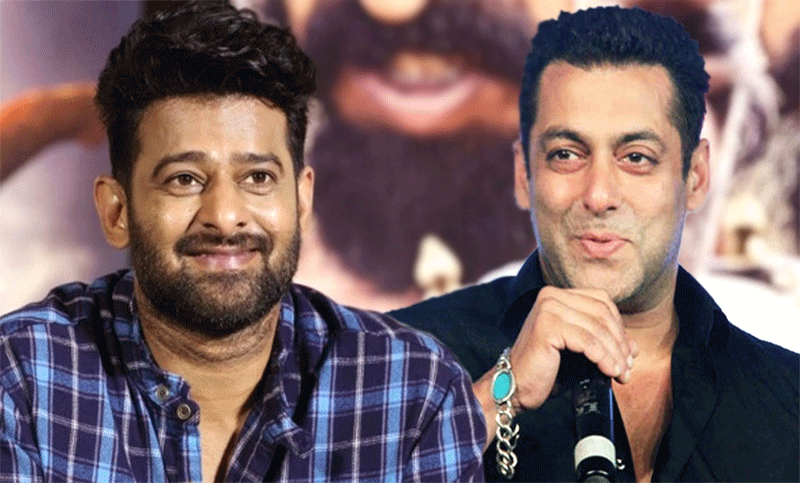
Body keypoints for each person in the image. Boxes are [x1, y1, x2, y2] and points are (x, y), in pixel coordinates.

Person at [0, 2, 485, 482]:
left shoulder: (412, 392)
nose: (225, 216)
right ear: (117, 211)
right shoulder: (23, 378)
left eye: (257, 177)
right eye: (185, 179)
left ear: (301, 199)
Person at [390, 6, 799, 482]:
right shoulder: (406, 357)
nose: (599, 194)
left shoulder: (785, 396)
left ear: (696, 175)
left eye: (637, 157)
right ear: (524, 174)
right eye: (566, 154)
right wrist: (501, 392)